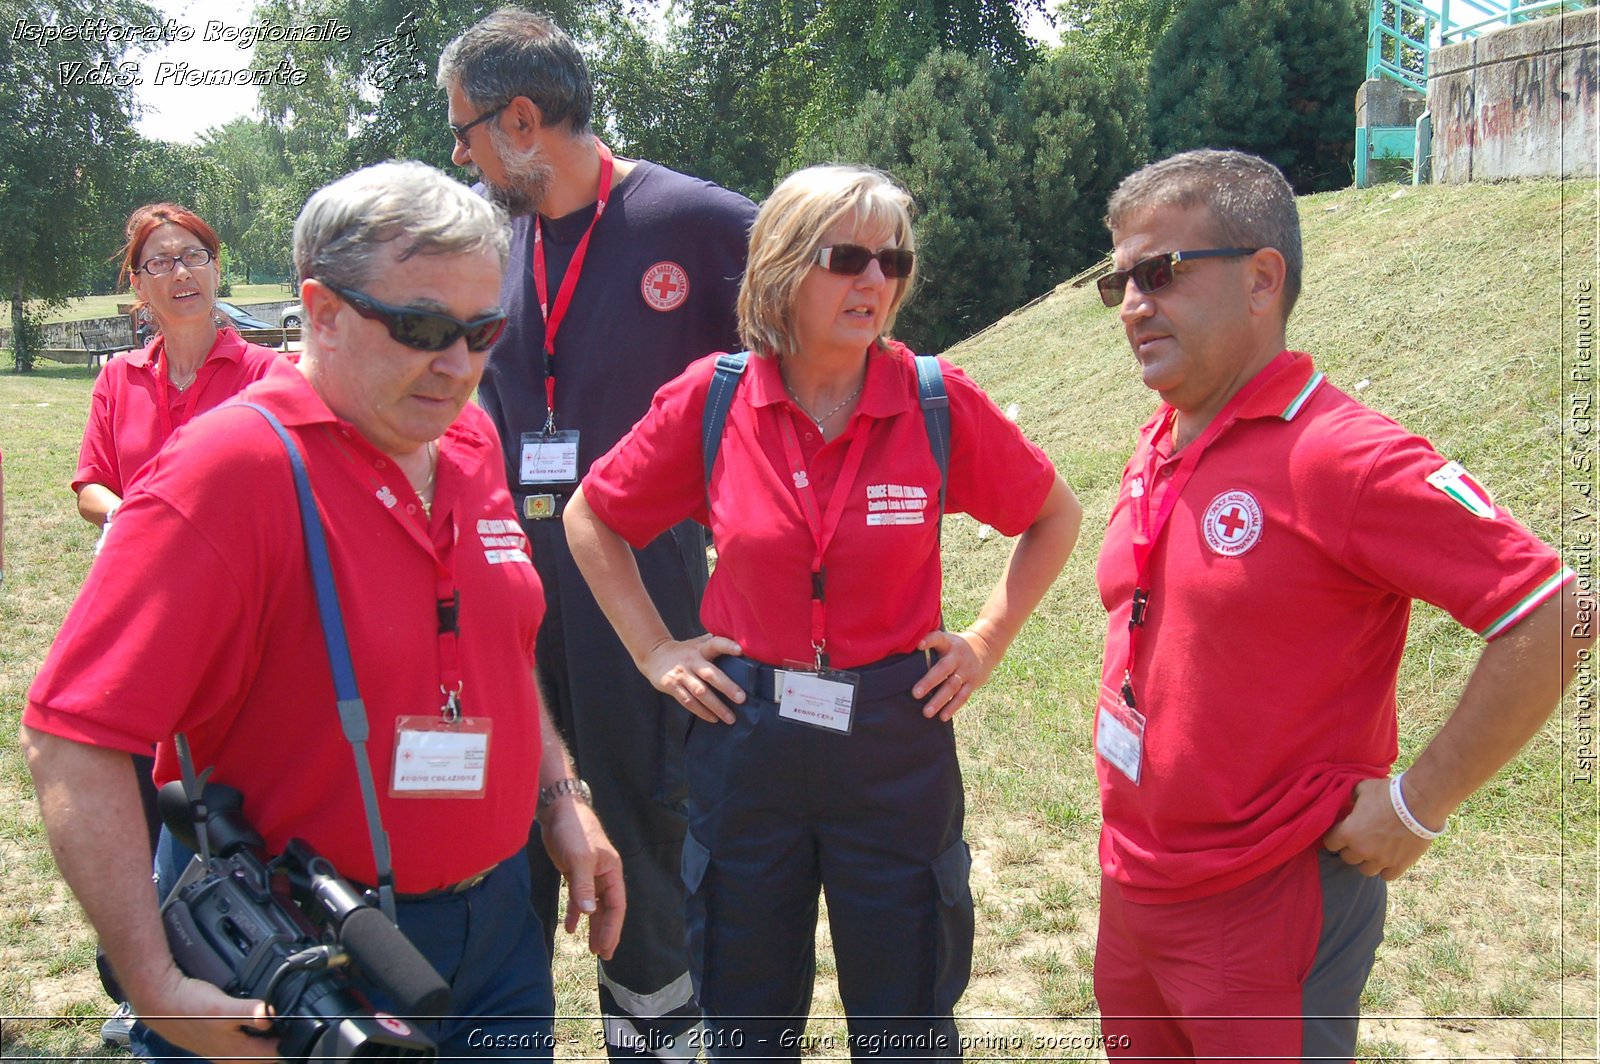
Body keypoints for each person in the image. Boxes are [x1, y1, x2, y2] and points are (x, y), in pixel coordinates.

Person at [21, 161, 624, 1063]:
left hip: (501, 932)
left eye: (482, 329)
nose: (457, 364)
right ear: (323, 310)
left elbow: (498, 648)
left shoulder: (464, 435)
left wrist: (559, 797)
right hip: (313, 955)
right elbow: (72, 733)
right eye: (421, 327)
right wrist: (152, 981)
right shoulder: (228, 472)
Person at [564, 163, 1083, 1058]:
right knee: (745, 1013)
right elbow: (592, 517)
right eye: (848, 258)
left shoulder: (933, 399)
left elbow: (1052, 515)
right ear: (784, 266)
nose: (876, 281)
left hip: (893, 736)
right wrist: (655, 649)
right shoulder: (714, 398)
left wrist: (986, 640)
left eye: (895, 261)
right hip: (748, 735)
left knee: (906, 1016)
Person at [1090, 148, 1586, 1062]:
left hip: (1266, 904)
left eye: (1158, 272)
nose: (1131, 302)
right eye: (1117, 280)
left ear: (1262, 279)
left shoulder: (1340, 454)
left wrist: (1420, 804)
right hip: (1136, 887)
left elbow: (1556, 610)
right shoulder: (1162, 438)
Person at [438, 10, 757, 1057]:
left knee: (647, 814)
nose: (461, 153)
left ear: (522, 118)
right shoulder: (500, 242)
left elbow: (818, 360)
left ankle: (658, 1036)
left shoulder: (697, 223)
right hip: (507, 580)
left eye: (468, 129)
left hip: (642, 584)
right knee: (507, 812)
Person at [76, 203, 280, 535]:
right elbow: (91, 485)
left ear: (216, 270)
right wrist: (134, 521)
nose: (181, 272)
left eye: (193, 256)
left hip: (242, 580)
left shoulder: (267, 375)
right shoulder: (117, 378)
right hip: (145, 574)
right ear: (138, 283)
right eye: (160, 263)